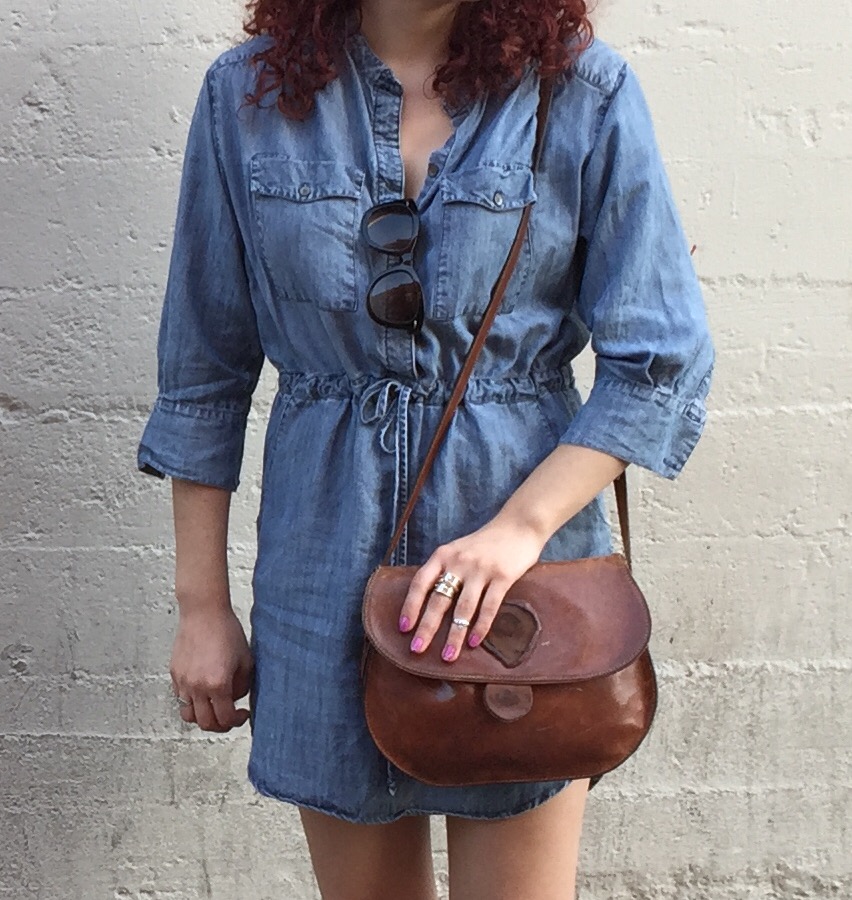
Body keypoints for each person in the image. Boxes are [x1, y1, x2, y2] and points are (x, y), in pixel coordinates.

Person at [136, 0, 714, 896]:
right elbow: (204, 372)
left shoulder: (578, 92)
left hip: (518, 582)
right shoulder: (246, 96)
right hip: (322, 569)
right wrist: (201, 605)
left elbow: (659, 361)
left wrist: (520, 529)